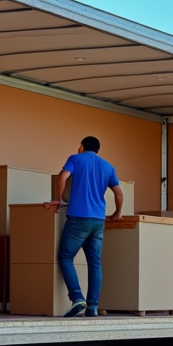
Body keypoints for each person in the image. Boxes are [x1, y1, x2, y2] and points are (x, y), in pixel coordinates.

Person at [46, 136, 123, 317]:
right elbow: (118, 193)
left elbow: (61, 177)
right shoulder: (107, 166)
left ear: (82, 146)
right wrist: (117, 213)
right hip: (98, 221)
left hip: (79, 218)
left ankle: (77, 297)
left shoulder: (75, 158)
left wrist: (59, 199)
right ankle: (93, 307)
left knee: (65, 256)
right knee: (94, 263)